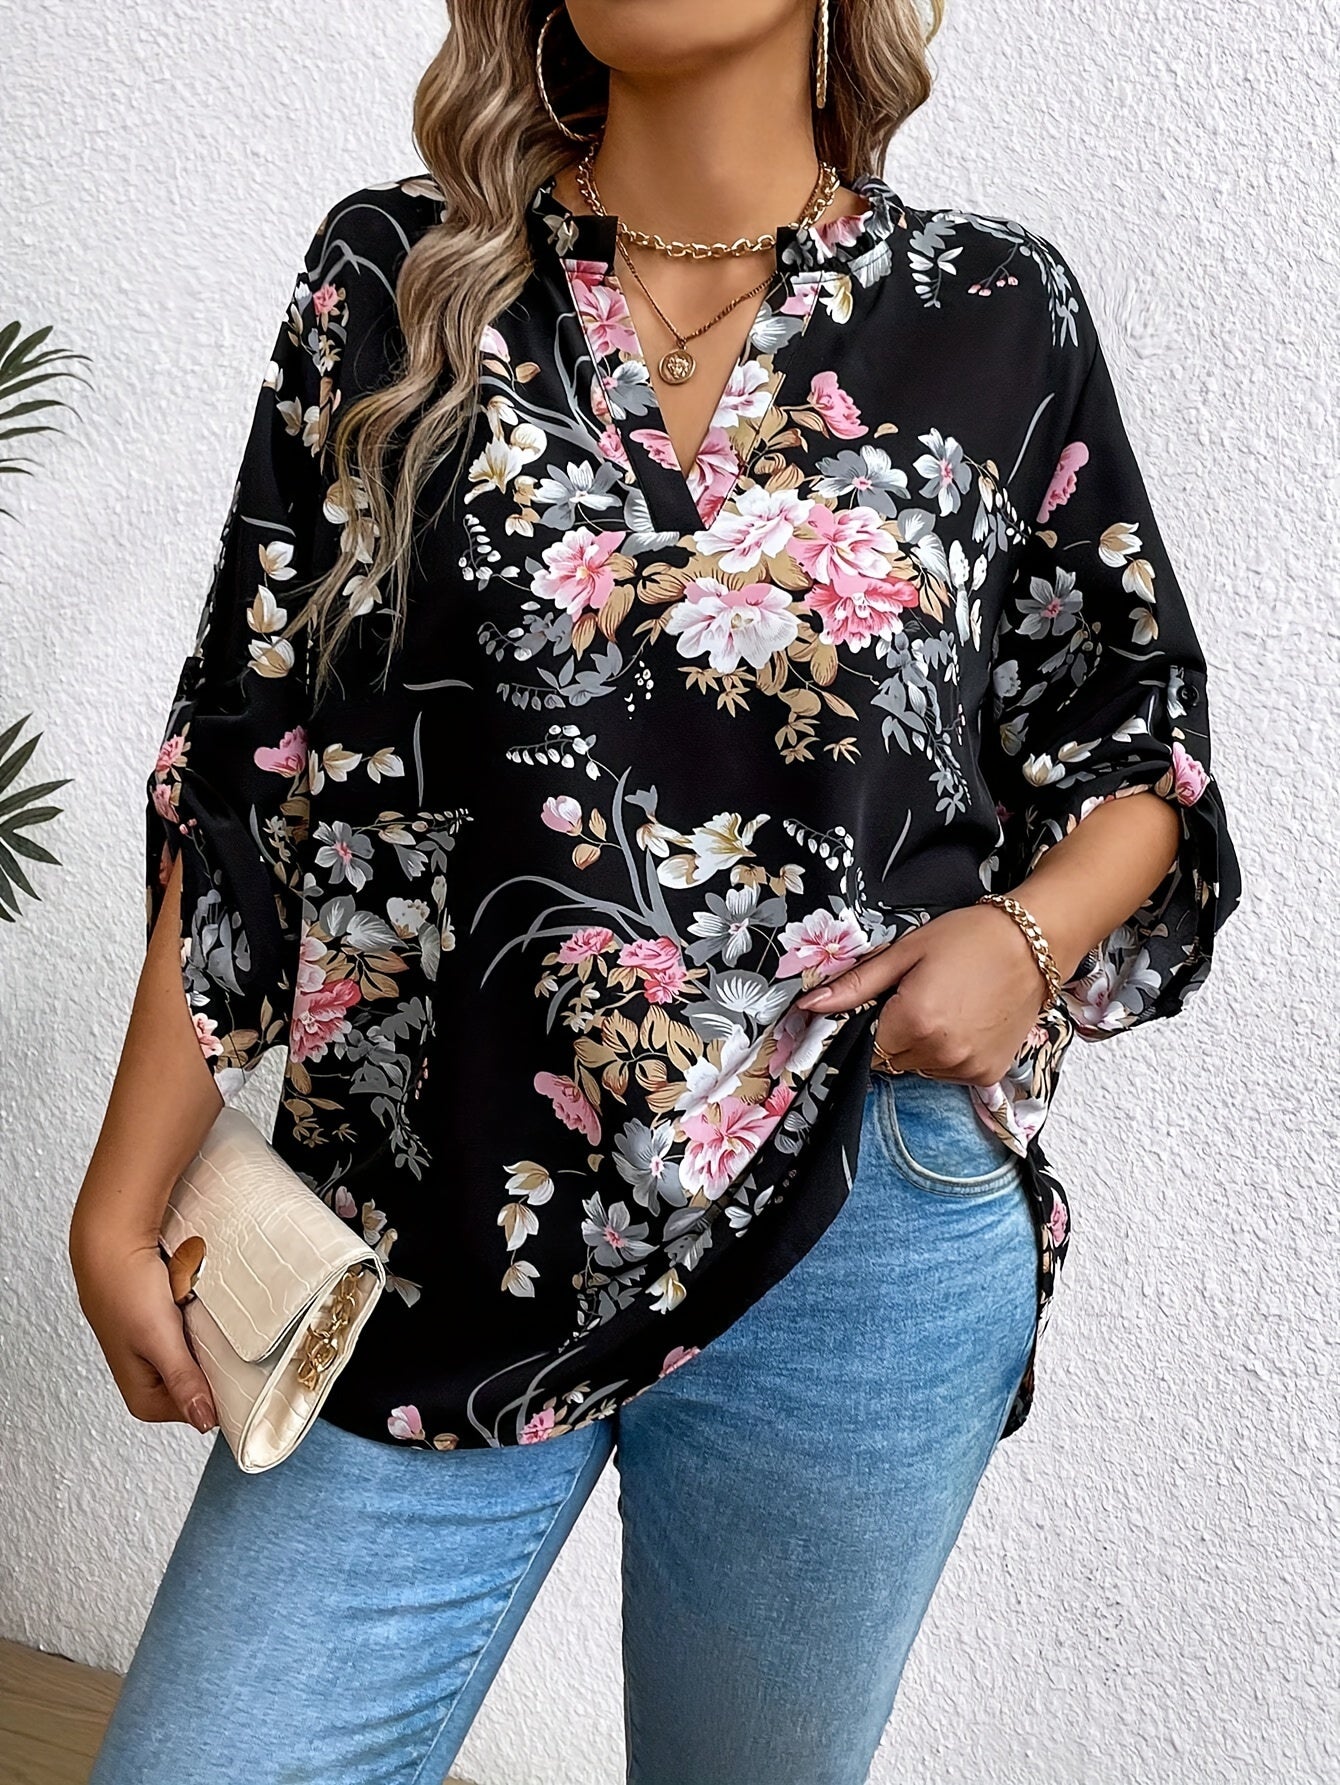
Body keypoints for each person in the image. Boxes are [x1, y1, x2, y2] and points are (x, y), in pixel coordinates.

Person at [71, 2, 1242, 1780]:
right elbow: (252, 760)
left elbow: (1136, 741)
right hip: (429, 1218)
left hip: (856, 1219)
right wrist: (122, 1188)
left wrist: (1027, 936)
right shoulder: (396, 280)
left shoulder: (996, 312)